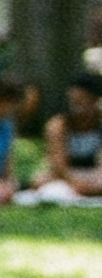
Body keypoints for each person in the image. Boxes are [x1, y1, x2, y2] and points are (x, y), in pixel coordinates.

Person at [28, 74, 102, 203]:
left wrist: (92, 183)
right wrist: (77, 182)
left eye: (81, 101)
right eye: (73, 102)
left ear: (94, 101)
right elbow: (59, 167)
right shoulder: (57, 125)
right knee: (40, 181)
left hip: (94, 175)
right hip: (63, 175)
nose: (75, 107)